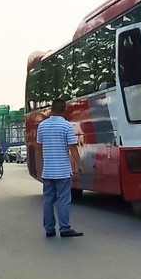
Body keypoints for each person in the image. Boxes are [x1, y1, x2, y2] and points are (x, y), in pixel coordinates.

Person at [36, 98, 83, 238]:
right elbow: (72, 148)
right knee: (63, 200)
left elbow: (39, 149)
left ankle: (49, 229)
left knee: (48, 201)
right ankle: (65, 228)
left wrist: (41, 166)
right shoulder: (67, 126)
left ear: (51, 109)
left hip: (48, 172)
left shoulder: (42, 126)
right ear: (64, 110)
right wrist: (79, 164)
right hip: (62, 171)